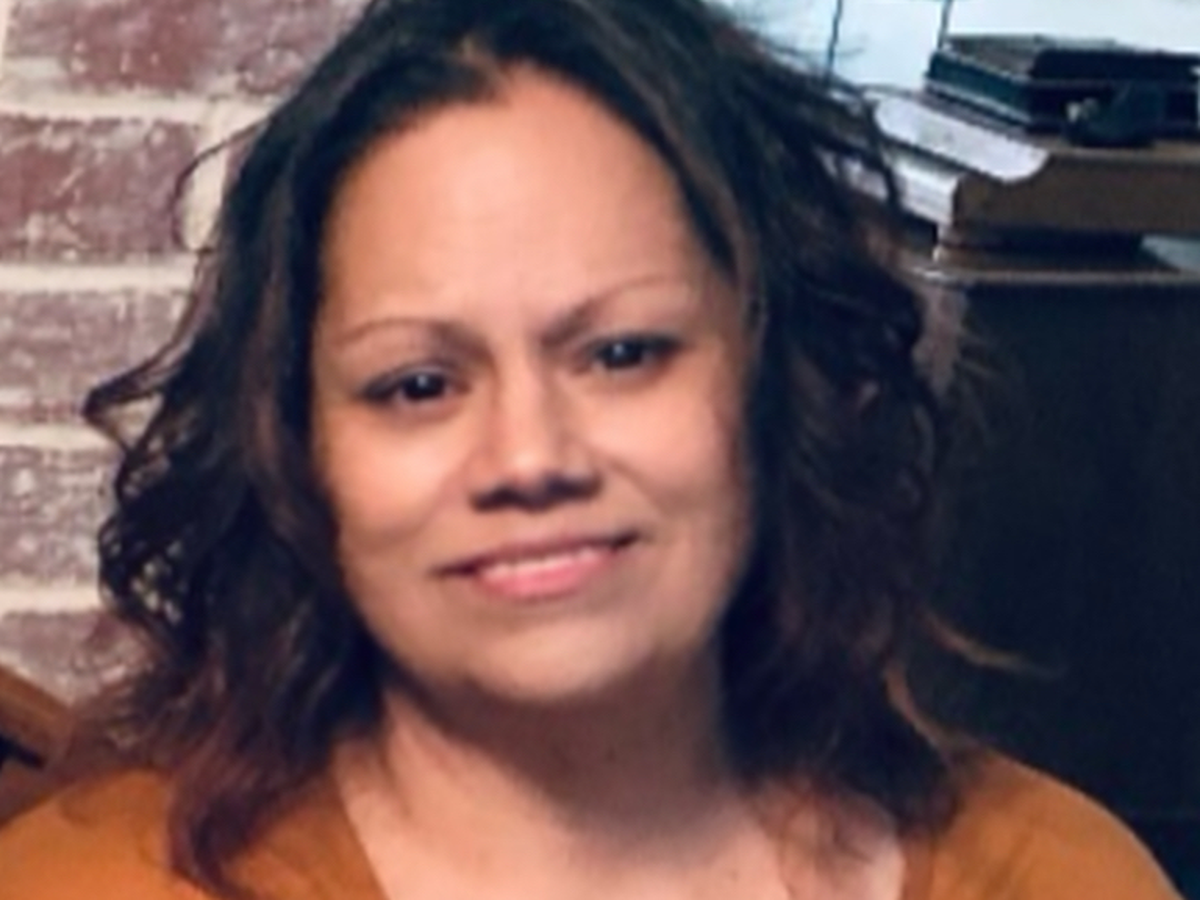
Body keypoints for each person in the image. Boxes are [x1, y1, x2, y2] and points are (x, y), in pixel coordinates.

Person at [0, 0, 1181, 898]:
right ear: (301, 451)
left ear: (779, 383)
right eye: (418, 385)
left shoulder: (1058, 876)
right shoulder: (94, 880)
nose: (531, 456)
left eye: (622, 354)